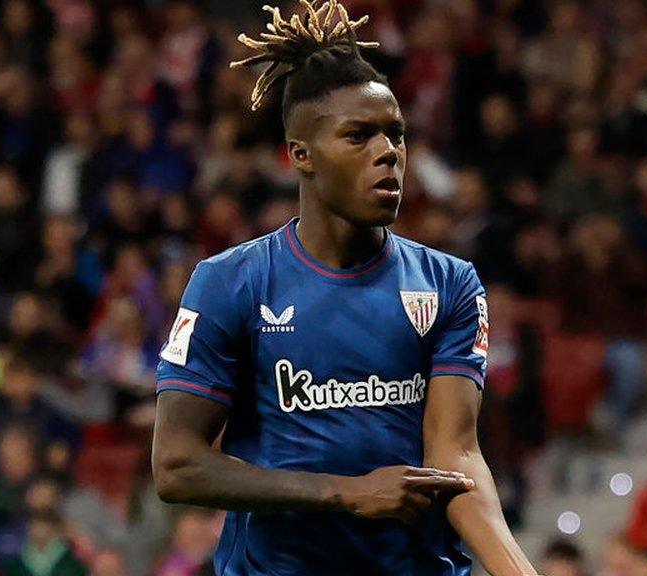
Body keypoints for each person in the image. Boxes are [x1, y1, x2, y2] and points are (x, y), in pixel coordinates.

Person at [151, 2, 540, 575]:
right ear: (300, 155)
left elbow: (456, 455)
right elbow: (177, 466)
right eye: (359, 136)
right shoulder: (230, 282)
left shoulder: (450, 283)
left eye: (396, 135)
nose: (389, 153)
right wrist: (345, 492)